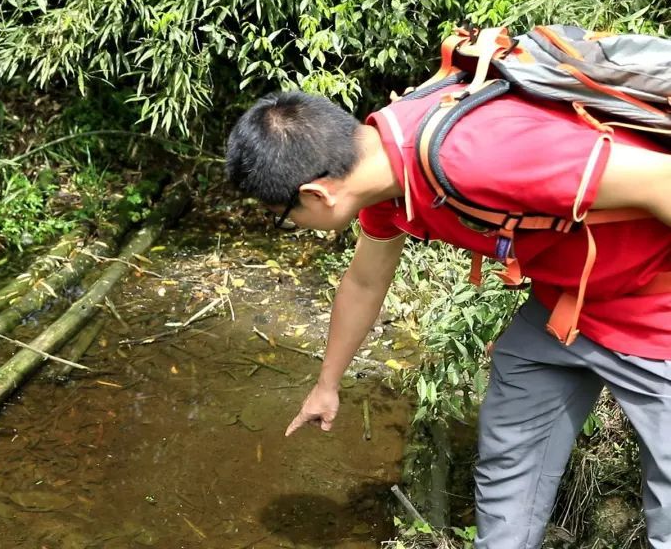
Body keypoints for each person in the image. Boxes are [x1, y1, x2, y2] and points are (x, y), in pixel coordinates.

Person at [224, 85, 671, 549]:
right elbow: (363, 282)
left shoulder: (471, 153)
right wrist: (327, 385)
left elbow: (664, 180)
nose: (289, 226)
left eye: (281, 216)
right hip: (565, 309)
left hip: (656, 315)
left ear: (317, 194)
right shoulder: (383, 174)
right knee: (506, 477)